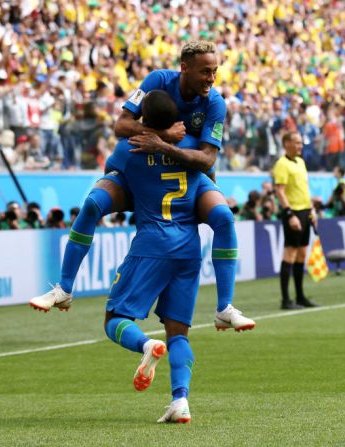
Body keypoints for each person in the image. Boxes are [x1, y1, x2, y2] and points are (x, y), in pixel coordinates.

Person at [30, 41, 254, 332]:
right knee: (92, 204)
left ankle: (224, 308)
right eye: (205, 72)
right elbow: (121, 126)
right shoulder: (158, 81)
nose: (211, 79)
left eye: (215, 72)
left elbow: (207, 157)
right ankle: (64, 289)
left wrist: (164, 146)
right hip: (138, 171)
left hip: (188, 174)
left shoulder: (215, 103)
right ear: (184, 68)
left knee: (224, 217)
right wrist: (162, 135)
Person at [100, 91, 217, 424]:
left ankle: (145, 346)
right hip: (189, 248)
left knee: (114, 320)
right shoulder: (191, 148)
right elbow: (209, 174)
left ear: (142, 119)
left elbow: (112, 180)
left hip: (152, 243)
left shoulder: (128, 148)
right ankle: (180, 401)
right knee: (178, 333)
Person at [273, 131, 319, 310]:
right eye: (297, 143)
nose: (300, 146)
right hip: (293, 213)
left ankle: (300, 296)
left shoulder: (301, 162)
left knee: (301, 254)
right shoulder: (282, 164)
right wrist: (289, 213)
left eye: (301, 143)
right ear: (287, 144)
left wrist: (312, 209)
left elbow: (304, 189)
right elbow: (280, 191)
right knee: (290, 254)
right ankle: (285, 300)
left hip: (305, 211)